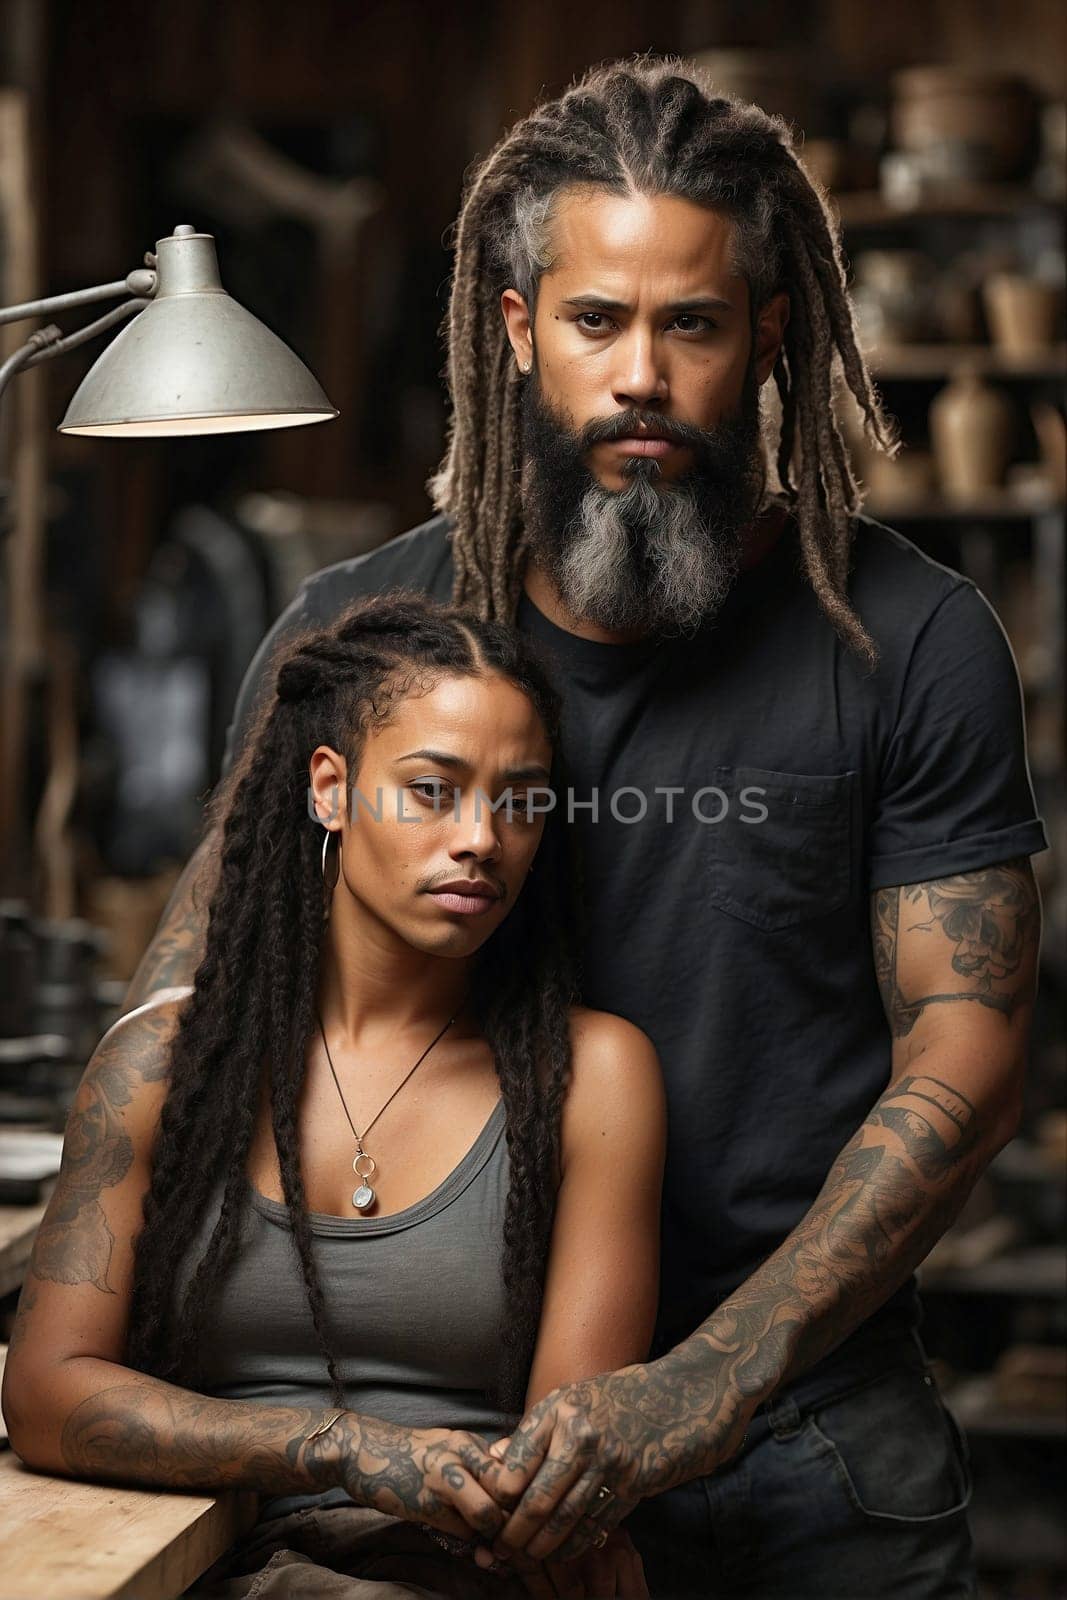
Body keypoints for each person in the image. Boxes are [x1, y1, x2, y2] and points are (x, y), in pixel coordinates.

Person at [108, 55, 1045, 1598]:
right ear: (513, 328)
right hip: (454, 1457)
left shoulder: (911, 640)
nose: (638, 379)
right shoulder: (356, 632)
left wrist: (707, 1381)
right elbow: (199, 1001)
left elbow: (969, 1045)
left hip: (805, 1429)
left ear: (767, 333)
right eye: (595, 321)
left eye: (689, 324)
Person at [2, 594, 666, 1598]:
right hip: (203, 1557)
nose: (481, 837)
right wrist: (336, 1447)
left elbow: (557, 1469)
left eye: (520, 800)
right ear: (330, 788)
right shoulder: (164, 1064)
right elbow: (48, 1392)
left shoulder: (591, 1076)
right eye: (433, 789)